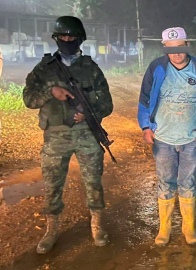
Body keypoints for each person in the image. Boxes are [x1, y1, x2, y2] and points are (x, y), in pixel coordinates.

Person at [23, 16, 113, 254]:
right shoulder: (44, 68)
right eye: (62, 37)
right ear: (56, 38)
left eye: (72, 37)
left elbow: (107, 103)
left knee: (93, 182)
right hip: (56, 137)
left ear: (80, 39)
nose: (67, 40)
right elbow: (28, 99)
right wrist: (50, 91)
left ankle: (96, 225)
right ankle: (51, 230)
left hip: (86, 136)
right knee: (53, 184)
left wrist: (88, 112)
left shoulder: (91, 68)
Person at [138, 27, 196, 246]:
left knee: (188, 183)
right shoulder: (157, 68)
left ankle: (188, 228)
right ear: (165, 48)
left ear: (187, 44)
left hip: (191, 138)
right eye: (171, 48)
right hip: (163, 138)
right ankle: (165, 228)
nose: (176, 52)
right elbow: (144, 98)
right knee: (165, 183)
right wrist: (146, 127)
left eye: (180, 46)